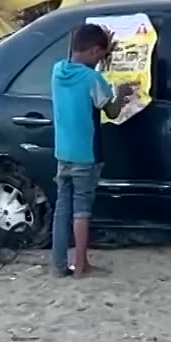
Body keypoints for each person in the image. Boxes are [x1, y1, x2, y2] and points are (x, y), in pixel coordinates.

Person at [51, 24, 133, 276]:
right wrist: (121, 94)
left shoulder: (57, 70)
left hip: (63, 153)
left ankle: (59, 265)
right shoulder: (92, 79)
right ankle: (81, 266)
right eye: (100, 55)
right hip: (86, 154)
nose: (100, 60)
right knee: (82, 211)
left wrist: (102, 48)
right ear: (94, 51)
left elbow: (79, 61)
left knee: (62, 208)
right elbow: (111, 111)